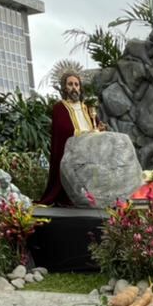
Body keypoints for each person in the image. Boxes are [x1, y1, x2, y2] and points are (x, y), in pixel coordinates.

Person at [40, 67, 106, 207]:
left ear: (80, 88)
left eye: (76, 84)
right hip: (71, 150)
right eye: (70, 84)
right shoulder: (60, 107)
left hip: (88, 149)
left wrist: (99, 129)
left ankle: (92, 197)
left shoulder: (86, 108)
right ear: (64, 87)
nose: (74, 88)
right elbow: (62, 129)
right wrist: (83, 134)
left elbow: (95, 125)